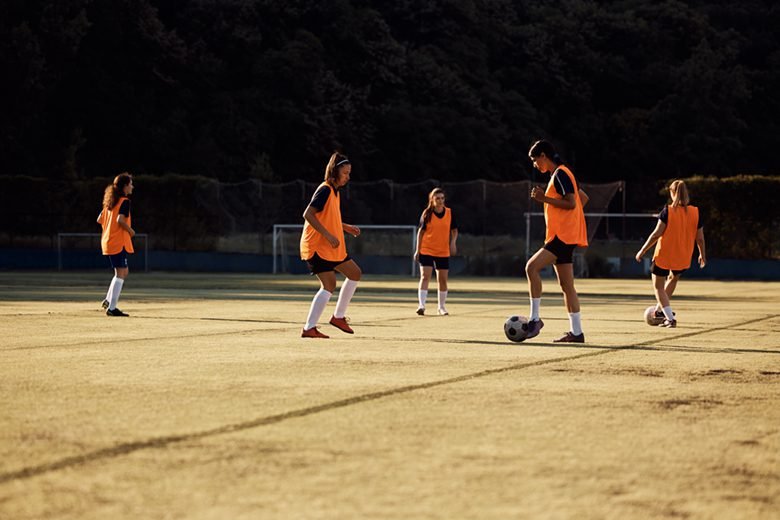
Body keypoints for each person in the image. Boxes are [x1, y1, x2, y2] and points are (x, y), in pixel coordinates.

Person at [525, 140, 590, 343]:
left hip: (561, 237)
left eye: (536, 160)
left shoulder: (560, 174)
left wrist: (545, 199)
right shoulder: (562, 174)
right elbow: (583, 198)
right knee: (567, 286)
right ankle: (577, 332)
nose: (536, 165)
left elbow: (571, 203)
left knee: (531, 268)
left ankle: (535, 319)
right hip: (566, 236)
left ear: (544, 156)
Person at [299, 152, 362, 338]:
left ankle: (338, 317)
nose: (348, 177)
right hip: (317, 246)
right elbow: (308, 214)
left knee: (355, 273)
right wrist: (327, 235)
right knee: (329, 284)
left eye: (349, 173)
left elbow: (328, 218)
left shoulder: (335, 192)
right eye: (345, 173)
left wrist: (345, 227)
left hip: (331, 247)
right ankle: (309, 328)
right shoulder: (325, 189)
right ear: (335, 172)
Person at [635, 180, 706, 328]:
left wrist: (643, 250)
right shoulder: (696, 212)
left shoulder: (668, 211)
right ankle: (660, 311)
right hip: (683, 256)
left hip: (664, 255)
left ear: (672, 193)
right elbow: (700, 238)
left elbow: (656, 234)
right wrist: (702, 255)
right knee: (672, 279)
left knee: (658, 287)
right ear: (686, 193)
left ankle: (669, 318)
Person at [413, 187, 459, 315]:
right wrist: (418, 250)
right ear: (432, 200)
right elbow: (420, 233)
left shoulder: (449, 213)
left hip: (443, 250)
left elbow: (454, 230)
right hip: (426, 249)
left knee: (442, 279)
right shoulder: (427, 213)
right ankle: (421, 305)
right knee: (425, 276)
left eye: (442, 198)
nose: (440, 201)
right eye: (437, 198)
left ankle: (441, 307)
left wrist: (453, 243)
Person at [97, 172, 135, 317]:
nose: (132, 186)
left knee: (123, 272)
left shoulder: (111, 202)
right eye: (130, 184)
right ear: (125, 186)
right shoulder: (124, 201)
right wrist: (131, 231)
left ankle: (108, 300)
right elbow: (120, 220)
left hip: (108, 241)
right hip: (117, 242)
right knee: (121, 273)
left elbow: (99, 219)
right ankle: (112, 308)